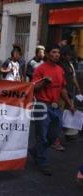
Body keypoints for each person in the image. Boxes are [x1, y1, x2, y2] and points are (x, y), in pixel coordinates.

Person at [29, 44, 75, 176]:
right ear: (48, 54)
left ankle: (35, 151)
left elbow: (63, 89)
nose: (57, 55)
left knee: (54, 135)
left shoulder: (60, 70)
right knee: (42, 136)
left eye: (58, 53)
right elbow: (33, 87)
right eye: (54, 52)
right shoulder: (40, 69)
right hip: (42, 106)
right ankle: (42, 162)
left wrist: (70, 104)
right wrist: (44, 82)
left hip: (56, 107)